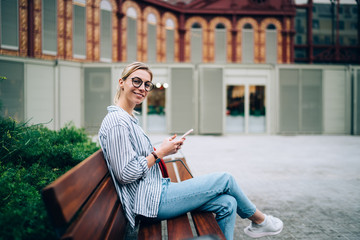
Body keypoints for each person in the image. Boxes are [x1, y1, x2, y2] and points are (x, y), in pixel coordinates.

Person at [98, 62, 283, 239]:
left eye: (147, 84)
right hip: (148, 202)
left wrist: (162, 148)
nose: (142, 88)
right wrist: (159, 153)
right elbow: (125, 173)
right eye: (136, 81)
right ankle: (261, 221)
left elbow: (132, 157)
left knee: (228, 203)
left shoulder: (127, 119)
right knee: (225, 179)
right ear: (122, 82)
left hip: (154, 192)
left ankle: (258, 223)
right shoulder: (117, 122)